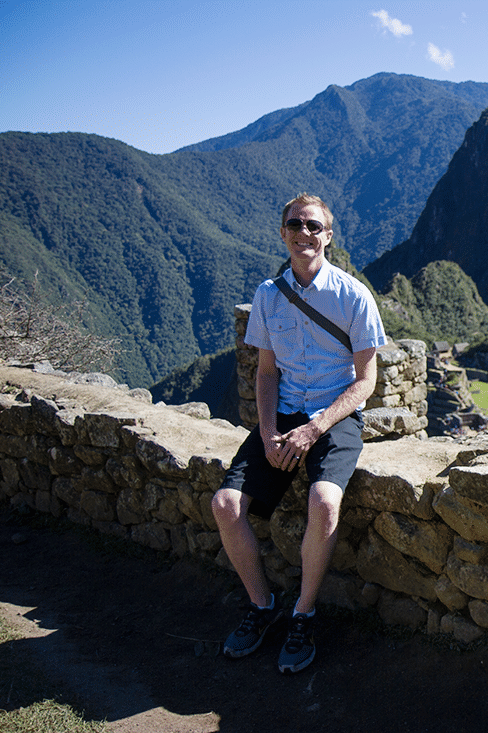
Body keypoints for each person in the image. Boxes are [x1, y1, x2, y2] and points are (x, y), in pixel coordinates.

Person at [212, 193, 386, 674]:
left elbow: (366, 381)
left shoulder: (353, 296)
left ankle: (303, 614)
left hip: (334, 417)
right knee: (226, 506)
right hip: (284, 416)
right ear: (283, 232)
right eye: (296, 224)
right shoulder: (269, 296)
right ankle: (262, 605)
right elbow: (266, 374)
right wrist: (268, 433)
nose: (304, 233)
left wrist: (316, 426)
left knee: (325, 502)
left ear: (328, 235)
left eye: (314, 226)